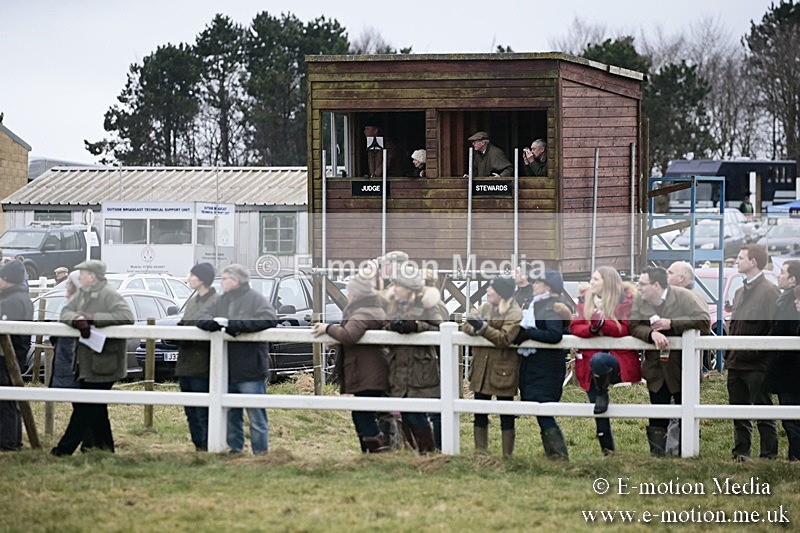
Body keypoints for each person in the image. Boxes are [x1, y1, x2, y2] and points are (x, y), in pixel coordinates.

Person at [51, 260, 134, 456]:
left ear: (93, 276)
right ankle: (104, 449)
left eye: (83, 273)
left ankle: (63, 450)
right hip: (88, 362)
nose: (80, 277)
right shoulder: (82, 294)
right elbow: (65, 312)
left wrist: (93, 317)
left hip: (105, 363)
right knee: (96, 409)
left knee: (85, 409)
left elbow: (126, 315)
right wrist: (78, 319)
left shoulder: (109, 294)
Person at [629, 266, 710, 456]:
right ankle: (657, 456)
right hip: (656, 368)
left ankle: (687, 452)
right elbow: (633, 326)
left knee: (687, 410)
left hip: (682, 366)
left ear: (656, 285)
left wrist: (671, 323)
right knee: (658, 412)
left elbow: (704, 321)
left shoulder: (683, 297)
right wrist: (651, 334)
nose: (638, 287)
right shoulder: (640, 301)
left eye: (642, 284)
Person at [196, 264, 277, 455]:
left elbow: (269, 318)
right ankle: (235, 450)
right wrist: (212, 324)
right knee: (232, 413)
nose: (221, 282)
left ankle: (261, 453)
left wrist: (237, 325)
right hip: (226, 368)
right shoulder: (222, 300)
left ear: (235, 280)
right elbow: (203, 316)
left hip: (250, 367)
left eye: (224, 278)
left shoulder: (255, 299)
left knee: (256, 414)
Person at [311, 275, 389, 453]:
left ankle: (377, 448)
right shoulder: (370, 309)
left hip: (367, 370)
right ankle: (371, 449)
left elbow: (349, 335)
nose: (347, 295)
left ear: (355, 294)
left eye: (349, 291)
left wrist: (328, 328)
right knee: (362, 411)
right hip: (368, 368)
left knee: (363, 412)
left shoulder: (363, 312)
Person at [570, 266, 640, 455]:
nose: (591, 282)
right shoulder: (586, 301)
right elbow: (576, 327)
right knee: (597, 406)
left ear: (607, 282)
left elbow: (625, 329)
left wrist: (602, 324)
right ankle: (607, 450)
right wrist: (593, 329)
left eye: (596, 279)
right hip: (589, 361)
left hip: (617, 360)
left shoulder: (626, 301)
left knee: (600, 361)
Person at [725, 243, 779, 461]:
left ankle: (768, 455)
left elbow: (774, 328)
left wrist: (758, 352)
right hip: (736, 363)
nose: (737, 261)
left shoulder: (770, 292)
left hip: (757, 365)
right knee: (738, 414)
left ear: (753, 262)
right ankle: (741, 453)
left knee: (764, 412)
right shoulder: (739, 292)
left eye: (740, 257)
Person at [384, 264, 446, 454]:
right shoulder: (393, 305)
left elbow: (443, 329)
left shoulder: (429, 305)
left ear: (410, 289)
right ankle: (411, 452)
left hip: (420, 368)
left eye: (399, 286)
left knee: (417, 414)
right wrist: (392, 326)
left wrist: (418, 326)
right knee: (405, 414)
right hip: (398, 368)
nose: (395, 289)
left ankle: (427, 453)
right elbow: (383, 326)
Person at [514, 269, 573, 460]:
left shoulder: (551, 307)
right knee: (541, 410)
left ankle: (558, 454)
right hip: (538, 365)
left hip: (546, 367)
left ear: (547, 286)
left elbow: (554, 335)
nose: (533, 285)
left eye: (537, 282)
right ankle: (554, 453)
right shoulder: (541, 304)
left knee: (544, 410)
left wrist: (528, 334)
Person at [461, 276, 521, 456]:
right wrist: (476, 328)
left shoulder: (514, 312)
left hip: (503, 370)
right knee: (479, 412)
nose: (487, 290)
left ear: (501, 292)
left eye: (491, 288)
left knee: (506, 414)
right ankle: (480, 453)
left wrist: (482, 328)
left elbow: (505, 338)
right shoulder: (486, 307)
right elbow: (466, 324)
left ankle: (507, 456)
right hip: (481, 368)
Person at [174, 262, 218, 452]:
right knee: (190, 410)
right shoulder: (191, 301)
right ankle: (198, 445)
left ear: (202, 279)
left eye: (192, 275)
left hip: (204, 364)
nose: (188, 278)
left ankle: (208, 445)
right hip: (185, 362)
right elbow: (185, 324)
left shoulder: (217, 301)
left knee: (203, 410)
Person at [763, 261, 800, 461]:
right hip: (787, 367)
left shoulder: (790, 301)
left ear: (793, 278)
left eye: (783, 273)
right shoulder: (785, 299)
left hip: (790, 370)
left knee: (792, 418)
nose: (779, 276)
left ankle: (795, 457)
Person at [0, 260, 33, 451]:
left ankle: (8, 441)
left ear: (6, 279)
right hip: (13, 356)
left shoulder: (12, 302)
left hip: (7, 358)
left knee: (6, 400)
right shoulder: (20, 298)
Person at [49, 271, 81, 390]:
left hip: (71, 363)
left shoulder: (78, 306)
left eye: (69, 284)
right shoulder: (70, 306)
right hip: (67, 361)